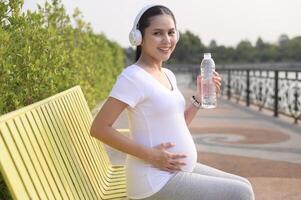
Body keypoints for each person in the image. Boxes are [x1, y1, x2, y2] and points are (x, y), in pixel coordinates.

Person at [90, 4, 255, 200]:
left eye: (171, 32)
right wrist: (151, 155)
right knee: (240, 193)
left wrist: (198, 99)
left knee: (244, 184)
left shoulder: (167, 74)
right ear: (139, 38)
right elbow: (99, 128)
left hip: (172, 172)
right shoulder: (132, 77)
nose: (167, 40)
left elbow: (178, 124)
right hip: (153, 180)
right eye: (157, 33)